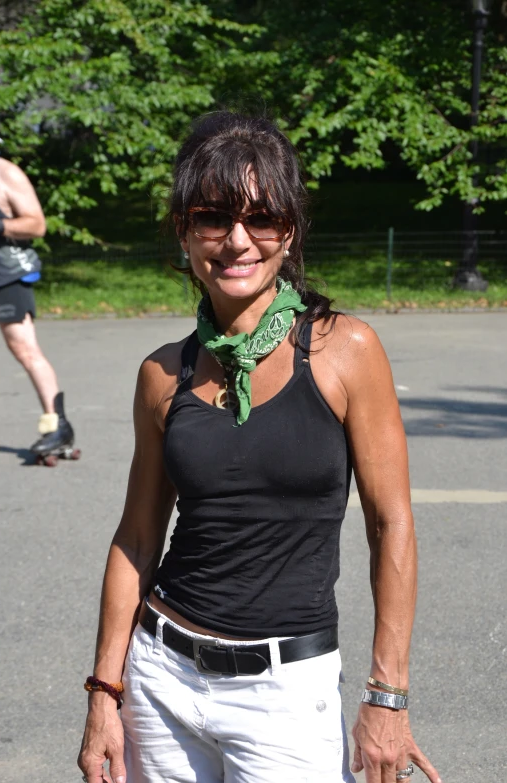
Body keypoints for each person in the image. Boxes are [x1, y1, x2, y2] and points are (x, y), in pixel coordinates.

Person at [78, 112, 441, 783]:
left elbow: (392, 525)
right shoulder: (163, 373)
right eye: (213, 217)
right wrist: (105, 692)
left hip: (285, 694)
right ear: (185, 230)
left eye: (263, 217)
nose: (238, 240)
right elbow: (135, 538)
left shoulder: (344, 352)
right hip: (160, 680)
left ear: (290, 230)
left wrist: (387, 698)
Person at [0, 107, 75, 457]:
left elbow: (36, 224)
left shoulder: (4, 173)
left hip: (6, 274)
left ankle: (57, 426)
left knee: (23, 348)